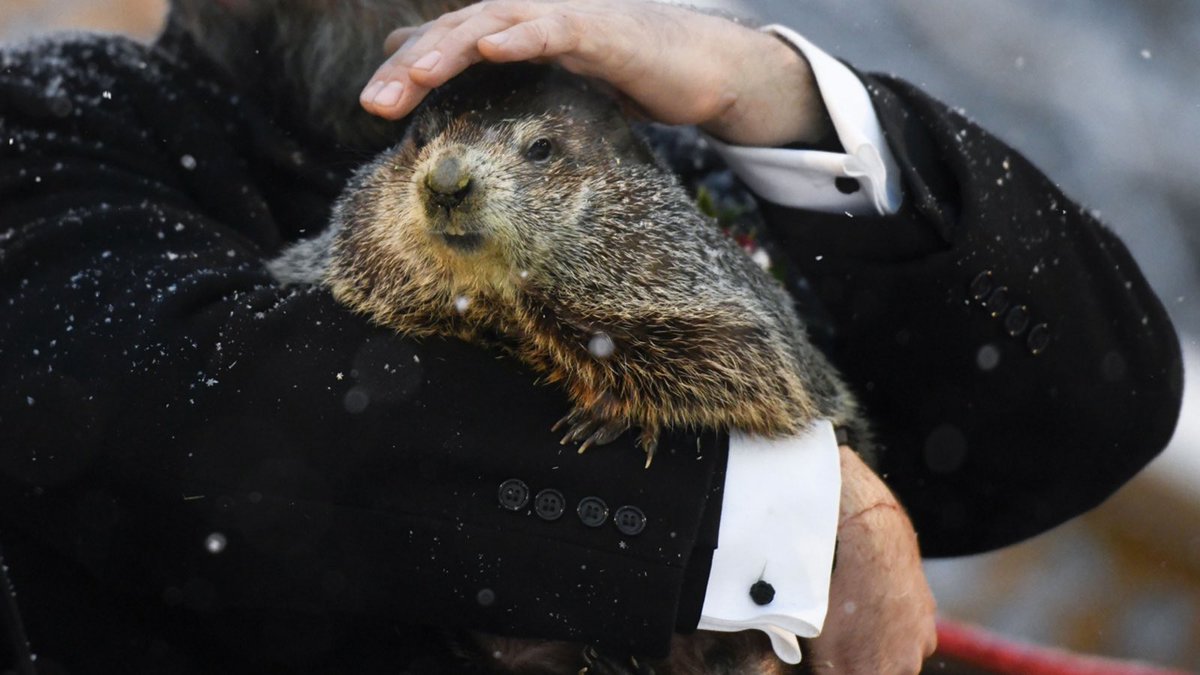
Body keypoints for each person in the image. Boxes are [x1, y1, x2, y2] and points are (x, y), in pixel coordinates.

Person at [0, 1, 1181, 673]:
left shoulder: (664, 160)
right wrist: (784, 507)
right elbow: (212, 422)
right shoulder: (54, 121)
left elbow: (1080, 413)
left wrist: (764, 91)